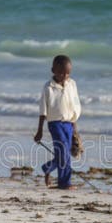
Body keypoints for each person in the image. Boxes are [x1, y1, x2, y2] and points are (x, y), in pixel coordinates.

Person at [34, 55, 81, 189]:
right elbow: (43, 110)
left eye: (68, 73)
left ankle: (48, 168)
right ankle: (64, 183)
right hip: (54, 124)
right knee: (63, 152)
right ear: (53, 70)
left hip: (68, 124)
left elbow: (75, 105)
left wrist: (75, 127)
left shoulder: (72, 84)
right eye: (61, 72)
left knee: (64, 153)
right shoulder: (48, 87)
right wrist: (39, 131)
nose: (64, 75)